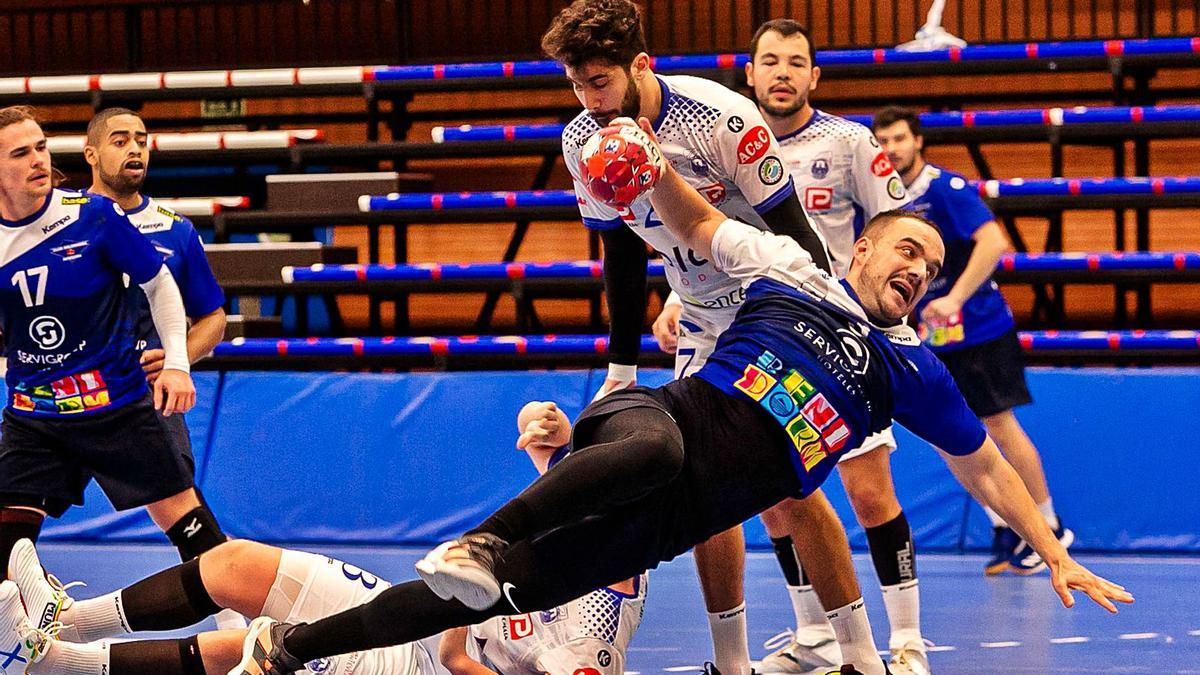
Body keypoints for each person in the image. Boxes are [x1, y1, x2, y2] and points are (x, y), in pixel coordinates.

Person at [226, 118, 1132, 675]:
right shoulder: (796, 272)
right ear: (859, 249)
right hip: (653, 421)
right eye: (906, 252)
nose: (918, 272)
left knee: (479, 598)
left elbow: (984, 466)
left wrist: (1052, 549)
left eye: (930, 269)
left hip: (667, 519)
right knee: (644, 459)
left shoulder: (911, 371)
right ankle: (487, 531)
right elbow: (700, 222)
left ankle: (291, 650)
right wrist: (643, 154)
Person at [546, 3, 866, 673]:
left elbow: (798, 238)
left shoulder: (720, 117)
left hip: (769, 304)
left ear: (641, 65)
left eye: (599, 82)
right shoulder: (584, 139)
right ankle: (732, 663)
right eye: (576, 85)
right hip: (697, 313)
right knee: (702, 488)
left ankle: (864, 656)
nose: (589, 100)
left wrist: (820, 324)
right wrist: (622, 365)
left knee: (792, 488)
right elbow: (620, 253)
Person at [1, 402, 646, 675]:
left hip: (430, 662)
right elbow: (558, 467)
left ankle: (56, 662)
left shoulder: (592, 633)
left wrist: (456, 648)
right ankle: (67, 626)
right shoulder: (594, 530)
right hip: (422, 618)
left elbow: (463, 662)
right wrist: (546, 431)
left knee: (255, 650)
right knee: (235, 567)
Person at [711, 20, 924, 674]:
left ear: (814, 76)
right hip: (764, 339)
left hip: (843, 339)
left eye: (795, 62)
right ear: (748, 74)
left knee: (868, 491)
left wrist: (895, 322)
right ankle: (816, 636)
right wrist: (671, 301)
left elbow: (899, 227)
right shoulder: (725, 146)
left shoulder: (850, 141)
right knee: (775, 493)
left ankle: (909, 644)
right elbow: (705, 240)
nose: (782, 72)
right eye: (769, 61)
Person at [871, 106, 1074, 576]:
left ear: (917, 141)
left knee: (999, 425)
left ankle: (1049, 526)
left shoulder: (945, 188)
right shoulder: (884, 198)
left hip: (980, 330)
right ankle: (1007, 527)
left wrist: (956, 299)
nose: (891, 148)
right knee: (953, 435)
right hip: (931, 338)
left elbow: (994, 242)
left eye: (899, 138)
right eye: (882, 140)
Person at [0, 105, 195, 577]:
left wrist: (178, 363)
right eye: (21, 153)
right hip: (36, 416)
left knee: (198, 539)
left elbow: (160, 284)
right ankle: (39, 631)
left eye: (41, 148)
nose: (37, 160)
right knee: (5, 554)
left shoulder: (94, 216)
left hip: (116, 408)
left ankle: (254, 626)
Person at [82, 107, 241, 630]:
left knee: (183, 511)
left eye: (142, 140)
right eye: (120, 140)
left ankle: (235, 617)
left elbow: (213, 318)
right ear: (91, 154)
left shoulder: (173, 230)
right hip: (66, 390)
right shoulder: (57, 223)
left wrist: (177, 360)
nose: (134, 149)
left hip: (143, 400)